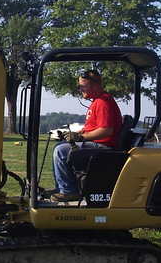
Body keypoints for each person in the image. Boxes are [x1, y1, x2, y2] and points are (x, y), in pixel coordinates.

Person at [51, 69, 123, 202]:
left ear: (95, 85)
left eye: (82, 86)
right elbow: (92, 128)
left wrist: (80, 138)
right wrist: (74, 134)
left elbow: (106, 131)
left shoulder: (103, 102)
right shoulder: (97, 101)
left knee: (60, 151)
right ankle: (62, 188)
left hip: (104, 147)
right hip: (98, 144)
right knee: (60, 146)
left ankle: (69, 191)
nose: (79, 89)